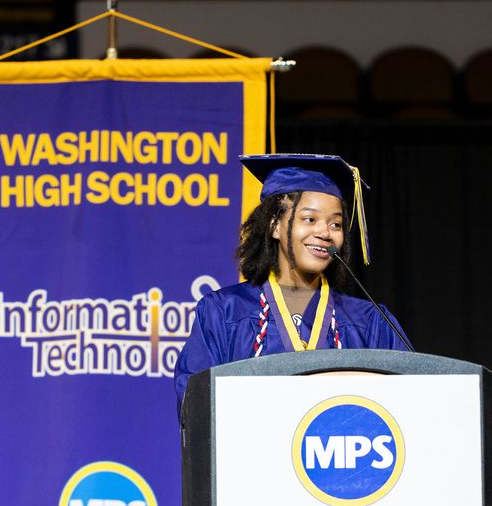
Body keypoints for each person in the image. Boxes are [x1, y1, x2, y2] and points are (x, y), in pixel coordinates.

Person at [174, 153, 411, 413]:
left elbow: (411, 401)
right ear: (274, 225)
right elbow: (195, 402)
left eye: (336, 224)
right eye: (309, 219)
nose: (324, 233)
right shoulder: (225, 312)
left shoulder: (369, 322)